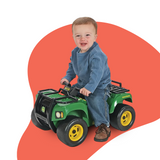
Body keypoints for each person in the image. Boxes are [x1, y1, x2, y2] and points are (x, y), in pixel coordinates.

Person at [60, 17, 111, 142]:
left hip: (99, 85)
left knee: (95, 100)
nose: (83, 39)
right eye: (78, 35)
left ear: (95, 37)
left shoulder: (97, 55)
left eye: (87, 35)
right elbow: (72, 67)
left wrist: (89, 88)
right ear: (73, 37)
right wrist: (67, 77)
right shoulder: (75, 52)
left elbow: (96, 74)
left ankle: (103, 125)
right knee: (69, 93)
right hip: (83, 83)